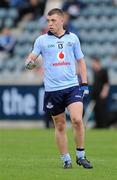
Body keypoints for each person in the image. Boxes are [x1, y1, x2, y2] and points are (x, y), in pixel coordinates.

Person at [25, 8, 93, 169]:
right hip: (52, 90)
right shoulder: (41, 40)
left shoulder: (73, 38)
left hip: (71, 86)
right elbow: (30, 59)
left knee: (77, 119)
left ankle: (81, 156)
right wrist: (29, 63)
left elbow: (81, 61)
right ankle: (66, 159)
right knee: (60, 125)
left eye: (53, 20)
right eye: (48, 21)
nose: (50, 24)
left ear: (62, 21)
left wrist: (84, 84)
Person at [91, 57, 110, 128]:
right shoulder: (95, 72)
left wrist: (104, 92)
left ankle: (103, 125)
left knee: (102, 111)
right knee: (96, 111)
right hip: (95, 96)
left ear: (98, 63)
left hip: (101, 95)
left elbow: (106, 83)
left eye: (94, 63)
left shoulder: (104, 71)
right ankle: (97, 125)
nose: (93, 65)